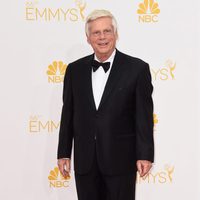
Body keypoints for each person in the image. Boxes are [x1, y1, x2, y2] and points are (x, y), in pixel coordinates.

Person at [57, 9, 154, 200]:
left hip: (120, 160)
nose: (102, 37)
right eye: (96, 33)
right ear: (88, 38)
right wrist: (63, 152)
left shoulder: (137, 69)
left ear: (116, 35)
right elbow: (68, 113)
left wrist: (145, 154)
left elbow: (143, 117)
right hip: (85, 161)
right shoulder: (74, 70)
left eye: (107, 31)